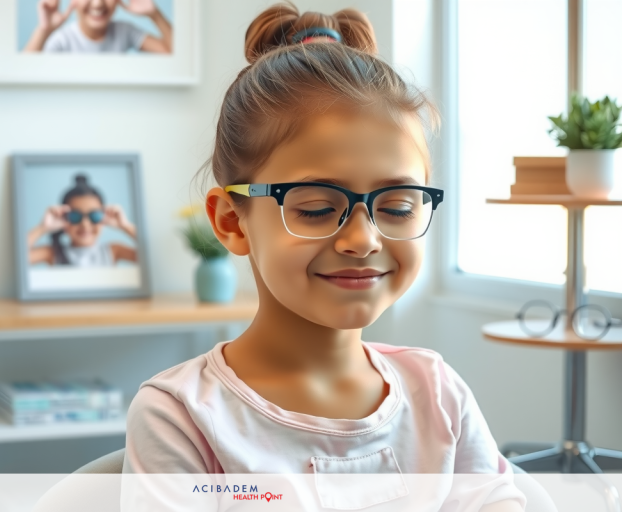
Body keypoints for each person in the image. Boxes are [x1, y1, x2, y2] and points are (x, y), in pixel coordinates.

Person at [121, 3, 526, 511]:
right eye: (316, 208)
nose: (364, 239)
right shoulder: (183, 417)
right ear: (231, 221)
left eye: (397, 207)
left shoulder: (437, 392)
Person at [28, 174, 137, 267]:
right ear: (64, 219)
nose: (85, 224)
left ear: (103, 218)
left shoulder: (113, 251)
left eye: (94, 216)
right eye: (75, 216)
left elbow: (151, 258)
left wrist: (125, 225)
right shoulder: (52, 253)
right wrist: (42, 227)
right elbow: (17, 260)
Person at [23, 0, 172, 54]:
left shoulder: (125, 32)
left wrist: (155, 15)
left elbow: (177, 55)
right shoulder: (62, 41)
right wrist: (44, 30)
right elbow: (22, 77)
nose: (97, 3)